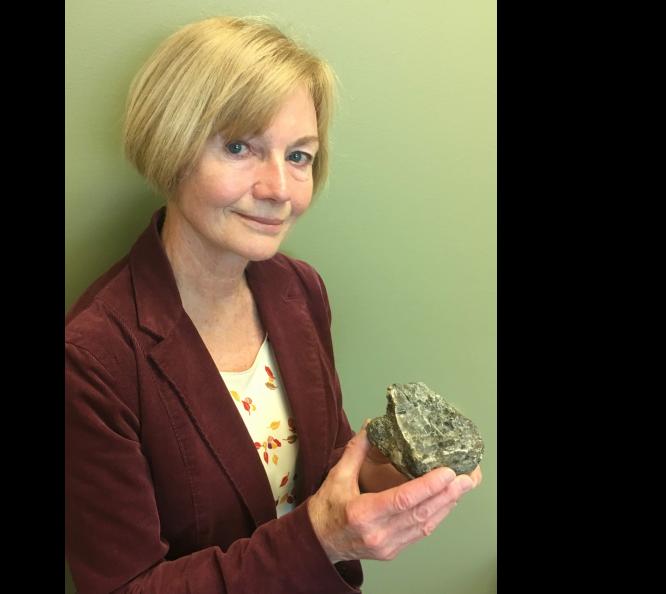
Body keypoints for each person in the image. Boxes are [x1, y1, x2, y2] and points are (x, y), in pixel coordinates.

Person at [65, 16, 481, 594]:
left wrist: (388, 477)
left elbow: (320, 471)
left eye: (299, 156)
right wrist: (323, 538)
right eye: (240, 146)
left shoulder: (297, 290)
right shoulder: (94, 359)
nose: (279, 190)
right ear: (171, 144)